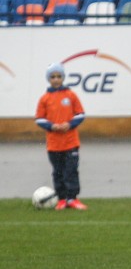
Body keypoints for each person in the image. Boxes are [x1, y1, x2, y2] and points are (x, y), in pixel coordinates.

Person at [35, 63, 87, 211]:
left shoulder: (70, 95)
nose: (56, 79)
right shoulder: (45, 98)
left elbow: (81, 114)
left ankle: (73, 199)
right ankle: (61, 199)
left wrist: (69, 124)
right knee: (57, 172)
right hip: (53, 144)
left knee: (71, 171)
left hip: (71, 142)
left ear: (63, 78)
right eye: (53, 77)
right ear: (48, 79)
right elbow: (39, 119)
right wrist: (52, 126)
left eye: (59, 76)